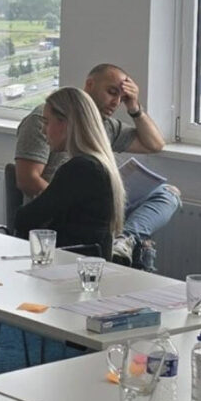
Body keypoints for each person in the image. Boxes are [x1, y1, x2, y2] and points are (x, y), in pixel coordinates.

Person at [14, 63, 179, 266]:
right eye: (111, 92)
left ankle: (126, 237)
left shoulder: (104, 129)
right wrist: (60, 199)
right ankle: (122, 239)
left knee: (168, 193)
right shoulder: (44, 117)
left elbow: (155, 144)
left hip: (80, 219)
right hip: (62, 210)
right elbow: (27, 179)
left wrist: (134, 108)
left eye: (122, 98)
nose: (116, 102)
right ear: (90, 84)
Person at [14, 87, 126, 260]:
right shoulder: (99, 164)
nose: (43, 131)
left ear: (65, 123)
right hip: (88, 261)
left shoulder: (80, 169)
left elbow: (25, 219)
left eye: (47, 122)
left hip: (72, 264)